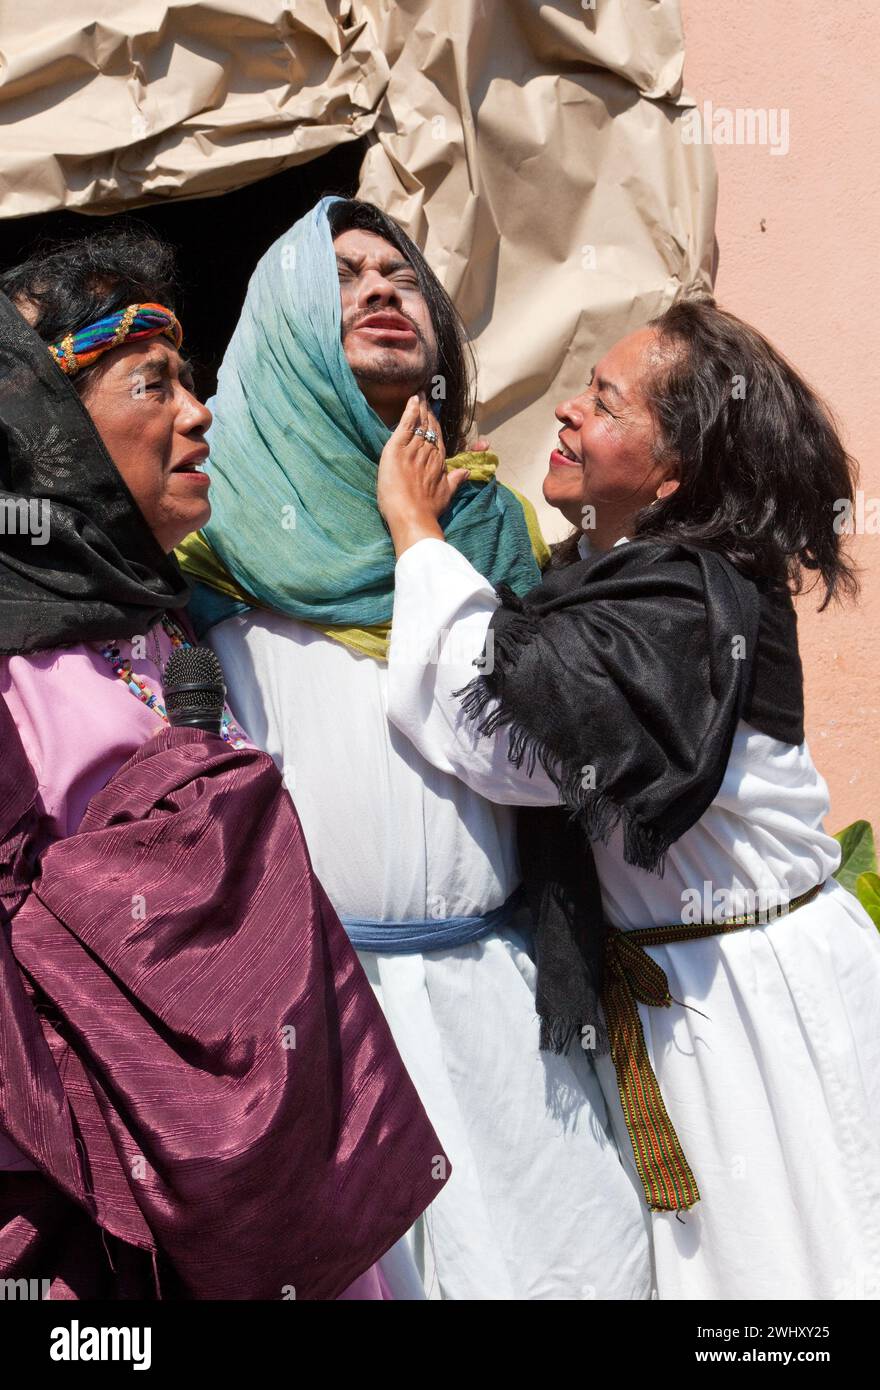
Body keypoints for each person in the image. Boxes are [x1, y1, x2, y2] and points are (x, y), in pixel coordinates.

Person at [177, 197, 652, 1300]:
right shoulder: (210, 551)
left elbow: (541, 753)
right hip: (316, 1022)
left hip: (500, 989)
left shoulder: (495, 532)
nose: (382, 290)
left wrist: (419, 535)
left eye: (398, 275)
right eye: (341, 277)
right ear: (285, 325)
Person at [377, 298, 880, 1301]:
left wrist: (415, 534)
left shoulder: (689, 604)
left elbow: (492, 725)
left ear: (672, 471)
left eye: (604, 401)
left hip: (749, 1006)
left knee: (791, 1264)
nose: (567, 412)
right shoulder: (620, 581)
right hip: (681, 997)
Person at [0, 229, 448, 1300]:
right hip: (108, 1221)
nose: (197, 414)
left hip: (261, 1186)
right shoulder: (11, 669)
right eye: (152, 385)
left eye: (192, 385)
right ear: (43, 428)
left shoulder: (163, 629)